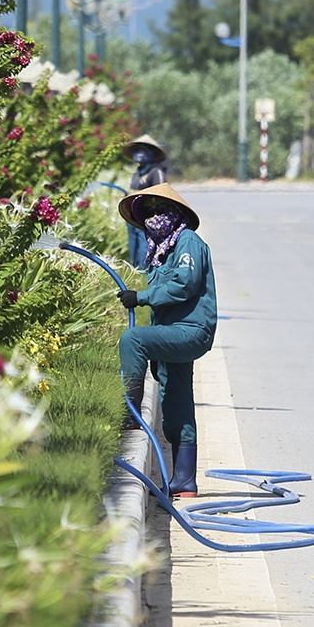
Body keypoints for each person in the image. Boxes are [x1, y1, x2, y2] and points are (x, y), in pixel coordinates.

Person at [115, 182, 215, 497]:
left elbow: (184, 285)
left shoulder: (187, 242)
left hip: (190, 330)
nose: (153, 217)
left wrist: (141, 297)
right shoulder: (160, 252)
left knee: (133, 340)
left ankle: (130, 413)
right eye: (147, 212)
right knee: (175, 400)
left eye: (160, 210)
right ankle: (184, 480)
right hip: (174, 332)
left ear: (174, 213)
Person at [121, 135, 169, 269]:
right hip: (131, 214)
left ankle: (143, 269)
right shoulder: (137, 173)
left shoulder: (155, 172)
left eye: (143, 151)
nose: (139, 154)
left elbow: (162, 193)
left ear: (151, 153)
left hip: (145, 215)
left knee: (143, 242)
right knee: (133, 241)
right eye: (137, 150)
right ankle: (133, 267)